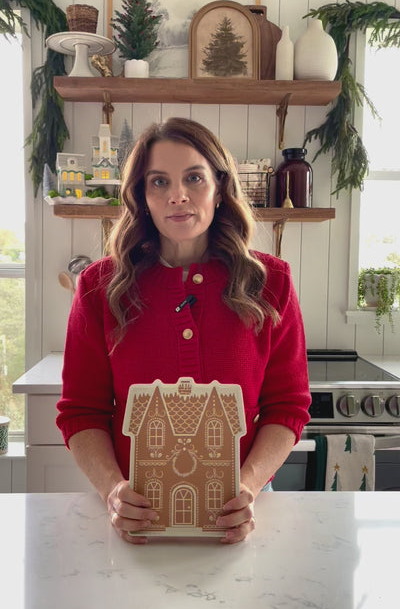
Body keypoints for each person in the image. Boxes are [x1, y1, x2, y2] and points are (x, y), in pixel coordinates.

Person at [56, 117, 310, 545]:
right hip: (135, 518)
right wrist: (113, 491)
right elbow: (81, 411)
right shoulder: (100, 288)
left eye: (194, 177)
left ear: (219, 187)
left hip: (241, 516)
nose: (177, 196)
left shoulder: (272, 283)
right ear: (142, 196)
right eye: (158, 182)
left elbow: (287, 406)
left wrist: (247, 485)